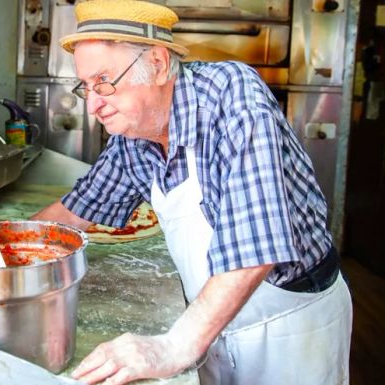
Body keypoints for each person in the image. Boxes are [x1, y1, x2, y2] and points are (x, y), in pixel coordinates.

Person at [30, 1, 353, 384]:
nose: (95, 104)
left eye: (105, 80)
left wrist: (170, 348)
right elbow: (81, 206)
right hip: (209, 323)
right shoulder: (136, 126)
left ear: (159, 64)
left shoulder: (234, 97)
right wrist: (3, 247)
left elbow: (254, 251)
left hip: (288, 331)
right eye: (87, 86)